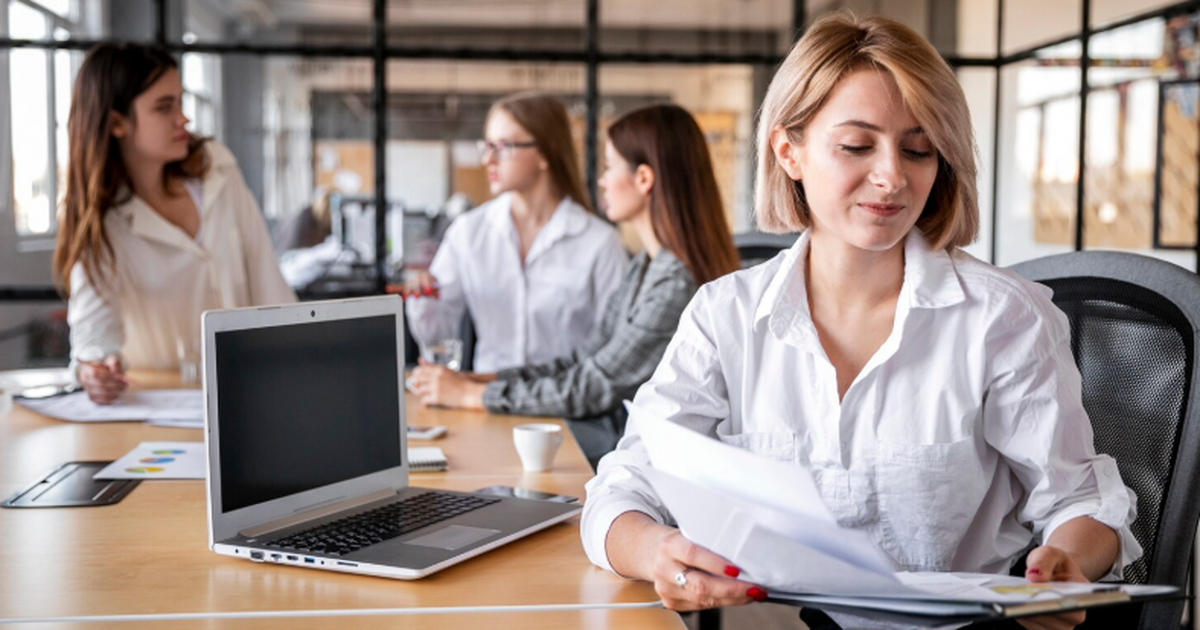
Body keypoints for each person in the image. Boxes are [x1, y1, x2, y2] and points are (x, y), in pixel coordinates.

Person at [580, 14, 1140, 630]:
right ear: (788, 151)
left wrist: (1068, 563)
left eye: (919, 148)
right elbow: (622, 489)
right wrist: (662, 554)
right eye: (856, 146)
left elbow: (1082, 501)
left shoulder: (1003, 317)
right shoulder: (725, 315)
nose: (893, 176)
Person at [408, 104, 740, 463]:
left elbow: (597, 384)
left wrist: (474, 396)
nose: (601, 181)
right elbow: (585, 358)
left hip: (644, 456)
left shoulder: (674, 282)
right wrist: (482, 381)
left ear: (644, 179)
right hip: (617, 440)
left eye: (610, 167)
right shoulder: (646, 265)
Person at [54, 43, 296, 404]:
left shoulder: (218, 168)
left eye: (180, 102)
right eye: (164, 107)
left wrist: (300, 357)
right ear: (116, 122)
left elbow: (267, 277)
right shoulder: (98, 221)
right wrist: (96, 370)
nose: (183, 119)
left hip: (250, 390)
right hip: (164, 403)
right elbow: (94, 340)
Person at [404, 93, 627, 373]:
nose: (489, 160)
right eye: (487, 146)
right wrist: (425, 297)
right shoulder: (468, 232)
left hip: (565, 406)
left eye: (504, 146)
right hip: (483, 401)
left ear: (546, 154)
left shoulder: (598, 242)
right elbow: (436, 336)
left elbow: (614, 350)